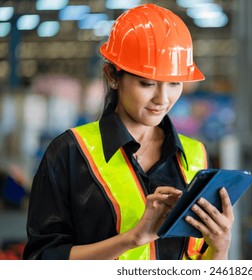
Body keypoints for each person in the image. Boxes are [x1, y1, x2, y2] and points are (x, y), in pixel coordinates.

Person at [23, 3, 234, 260]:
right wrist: (132, 239)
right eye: (147, 84)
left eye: (175, 83)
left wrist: (220, 247)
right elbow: (41, 261)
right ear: (112, 75)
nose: (162, 99)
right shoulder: (69, 153)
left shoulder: (195, 156)